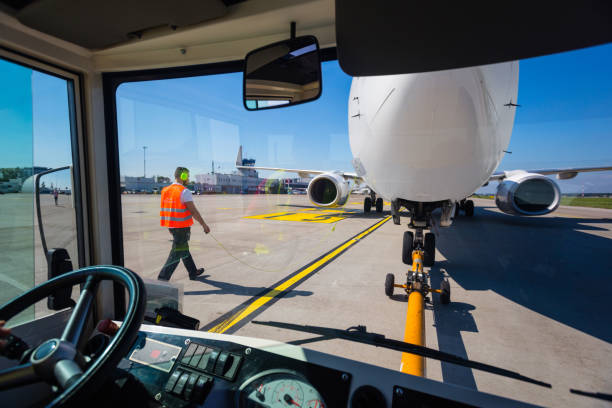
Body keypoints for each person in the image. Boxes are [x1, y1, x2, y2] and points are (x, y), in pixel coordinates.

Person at [158, 167, 210, 281]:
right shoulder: (184, 191)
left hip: (171, 226)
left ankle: (193, 272)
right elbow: (193, 211)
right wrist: (204, 225)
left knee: (183, 249)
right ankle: (162, 279)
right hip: (181, 227)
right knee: (176, 254)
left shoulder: (165, 190)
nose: (188, 178)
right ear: (183, 176)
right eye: (188, 175)